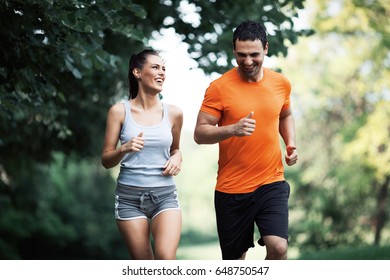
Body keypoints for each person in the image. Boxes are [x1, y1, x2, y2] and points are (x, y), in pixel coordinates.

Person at [193, 20, 298, 260]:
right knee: (234, 263)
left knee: (279, 247)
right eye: (241, 55)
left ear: (266, 49)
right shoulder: (219, 88)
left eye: (254, 54)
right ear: (233, 51)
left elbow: (286, 114)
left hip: (271, 181)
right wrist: (232, 129)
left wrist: (290, 143)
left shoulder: (281, 83)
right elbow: (200, 133)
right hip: (232, 189)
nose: (248, 61)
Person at [101, 49, 183, 260]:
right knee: (144, 264)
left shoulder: (174, 113)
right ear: (137, 72)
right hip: (129, 198)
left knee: (166, 258)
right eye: (155, 67)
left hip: (164, 195)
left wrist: (178, 156)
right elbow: (106, 160)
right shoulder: (119, 111)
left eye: (164, 69)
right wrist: (124, 148)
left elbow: (175, 148)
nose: (162, 73)